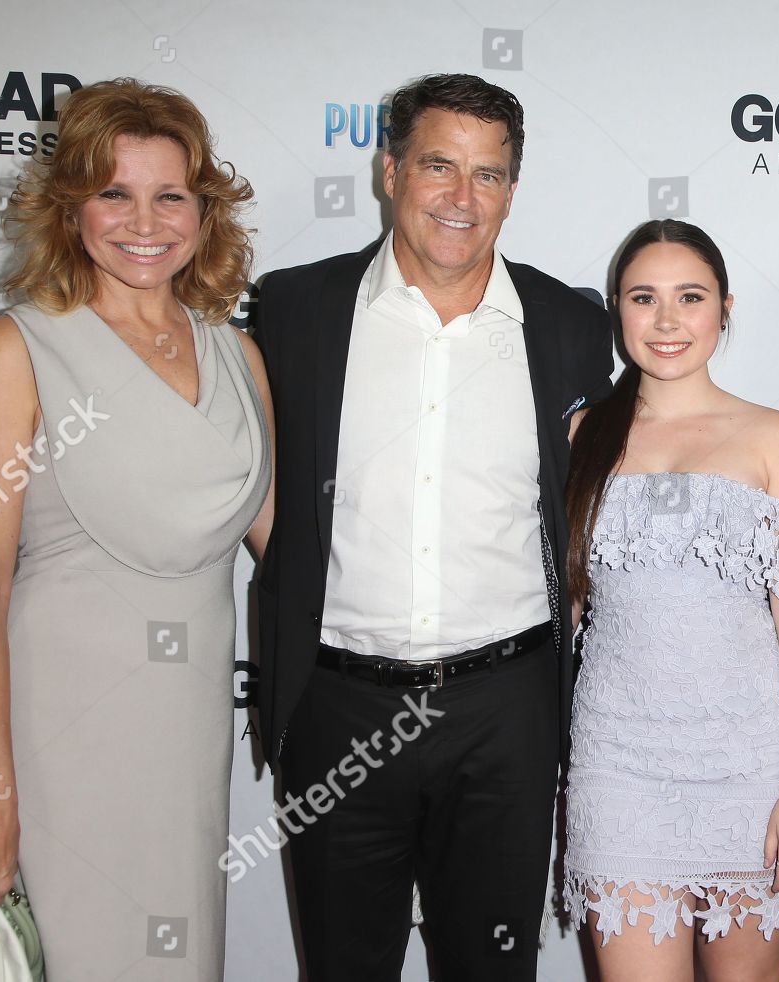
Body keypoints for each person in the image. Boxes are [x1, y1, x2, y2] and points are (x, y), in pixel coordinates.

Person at [252, 73, 613, 980]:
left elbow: (593, 504)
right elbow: (253, 486)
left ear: (512, 191)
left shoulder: (569, 323)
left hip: (505, 713)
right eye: (438, 166)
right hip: (338, 706)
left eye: (488, 175)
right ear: (390, 172)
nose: (462, 197)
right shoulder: (295, 308)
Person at [0, 78, 272, 979]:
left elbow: (292, 552)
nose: (144, 222)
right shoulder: (15, 350)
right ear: (71, 205)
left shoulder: (236, 353)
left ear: (204, 210)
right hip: (63, 742)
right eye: (114, 193)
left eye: (171, 196)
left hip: (189, 737)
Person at [561, 219, 779, 982]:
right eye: (643, 298)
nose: (667, 320)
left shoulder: (775, 437)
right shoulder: (583, 435)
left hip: (753, 770)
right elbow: (565, 610)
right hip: (618, 768)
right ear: (617, 310)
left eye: (690, 297)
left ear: (724, 308)